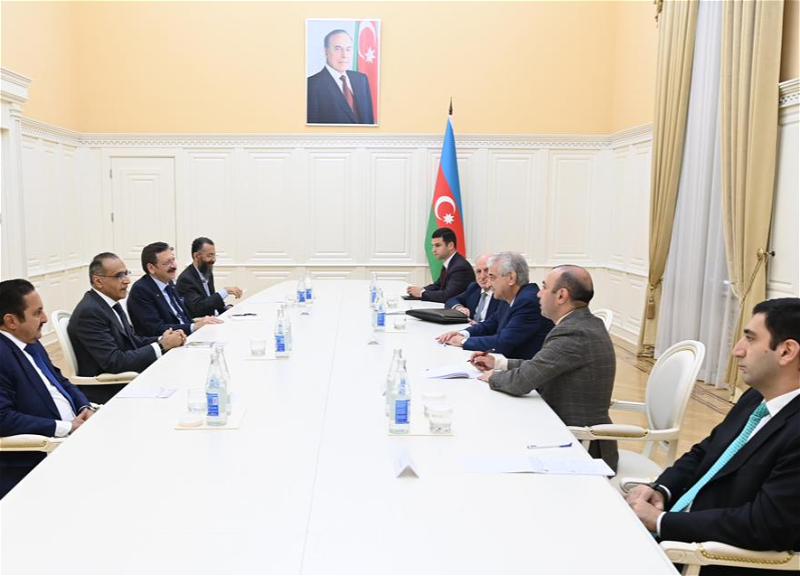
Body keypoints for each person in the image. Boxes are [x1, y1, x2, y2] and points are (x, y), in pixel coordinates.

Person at [626, 298, 800, 575]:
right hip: (679, 534)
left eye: (750, 339)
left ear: (786, 351)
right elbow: (705, 451)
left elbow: (764, 525)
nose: (737, 351)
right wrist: (661, 490)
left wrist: (661, 522)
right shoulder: (755, 397)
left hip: (708, 559)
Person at [471, 265, 618, 470]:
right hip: (560, 430)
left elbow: (521, 382)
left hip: (578, 446)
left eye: (544, 287)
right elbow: (542, 365)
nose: (539, 294)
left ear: (561, 295)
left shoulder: (574, 333)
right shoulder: (581, 323)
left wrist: (492, 376)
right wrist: (499, 363)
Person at [0, 279, 94, 499]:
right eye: (37, 313)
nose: (44, 318)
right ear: (11, 321)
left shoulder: (30, 341)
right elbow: (3, 418)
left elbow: (61, 381)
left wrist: (84, 406)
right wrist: (66, 427)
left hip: (75, 435)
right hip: (40, 457)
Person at [68, 252, 185, 404]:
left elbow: (132, 340)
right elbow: (114, 361)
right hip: (109, 389)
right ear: (98, 281)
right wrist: (162, 346)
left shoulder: (109, 304)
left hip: (126, 378)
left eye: (126, 274)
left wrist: (164, 338)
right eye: (119, 276)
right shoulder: (90, 312)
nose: (127, 281)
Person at [437, 252, 552, 360]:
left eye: (492, 277)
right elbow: (489, 325)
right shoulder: (509, 297)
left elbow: (503, 343)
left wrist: (462, 341)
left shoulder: (527, 301)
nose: (489, 282)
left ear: (511, 278)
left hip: (522, 368)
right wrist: (462, 333)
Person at [127, 242, 223, 338]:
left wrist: (201, 323)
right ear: (151, 268)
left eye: (173, 260)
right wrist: (193, 326)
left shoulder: (169, 283)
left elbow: (182, 317)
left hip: (186, 336)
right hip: (169, 343)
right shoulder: (141, 290)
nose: (174, 266)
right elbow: (156, 329)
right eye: (167, 263)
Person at [307, 29, 375, 125]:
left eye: (348, 49)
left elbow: (369, 120)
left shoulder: (361, 80)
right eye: (338, 49)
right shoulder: (311, 85)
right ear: (326, 51)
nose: (344, 55)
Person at [176, 237, 243, 318]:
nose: (214, 260)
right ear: (196, 256)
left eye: (214, 255)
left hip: (215, 317)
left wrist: (226, 308)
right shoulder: (186, 279)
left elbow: (210, 300)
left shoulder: (207, 272)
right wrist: (225, 291)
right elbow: (198, 308)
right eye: (209, 255)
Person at [406, 227, 475, 303]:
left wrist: (421, 293)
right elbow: (437, 286)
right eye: (432, 246)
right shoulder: (451, 262)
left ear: (450, 245)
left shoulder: (460, 267)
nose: (433, 250)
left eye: (438, 245)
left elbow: (447, 296)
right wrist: (420, 290)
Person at [445, 253, 501, 324]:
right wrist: (459, 308)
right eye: (478, 271)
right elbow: (451, 300)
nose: (482, 276)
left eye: (486, 270)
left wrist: (478, 325)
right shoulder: (474, 287)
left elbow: (498, 323)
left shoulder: (501, 293)